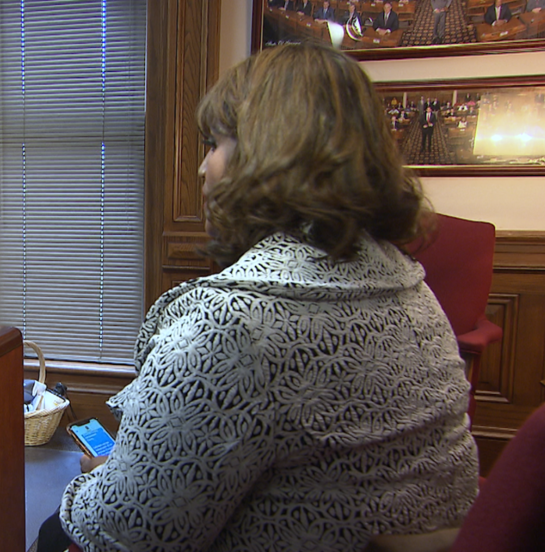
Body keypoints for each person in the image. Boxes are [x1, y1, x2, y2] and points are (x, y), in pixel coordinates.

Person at [39, 43, 478, 552]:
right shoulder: (409, 285)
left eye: (213, 145)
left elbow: (127, 534)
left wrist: (100, 485)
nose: (202, 170)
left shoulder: (231, 321)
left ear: (267, 155)